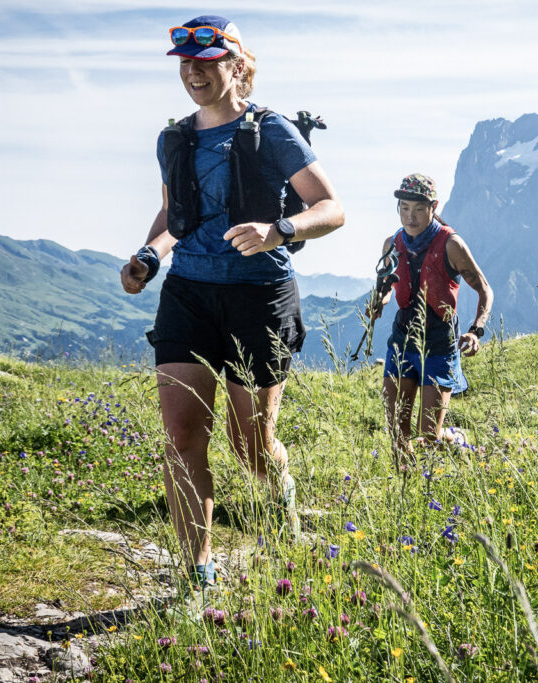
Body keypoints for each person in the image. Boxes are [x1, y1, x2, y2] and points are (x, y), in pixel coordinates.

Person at [119, 15, 344, 588]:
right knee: (182, 434)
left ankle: (284, 508)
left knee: (252, 445)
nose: (193, 73)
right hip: (189, 293)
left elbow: (331, 208)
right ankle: (199, 573)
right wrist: (149, 255)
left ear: (236, 66)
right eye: (185, 65)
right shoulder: (175, 138)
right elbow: (176, 215)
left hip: (259, 294)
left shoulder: (271, 131)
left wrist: (281, 231)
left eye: (207, 62)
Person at [370, 174, 493, 466]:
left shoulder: (451, 244)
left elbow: (484, 289)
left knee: (427, 438)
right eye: (404, 208)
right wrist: (380, 302)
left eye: (418, 209)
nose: (410, 216)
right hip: (402, 341)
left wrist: (476, 330)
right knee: (397, 434)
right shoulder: (392, 243)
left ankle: (456, 440)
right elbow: (386, 285)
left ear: (433, 207)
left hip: (438, 344)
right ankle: (405, 498)